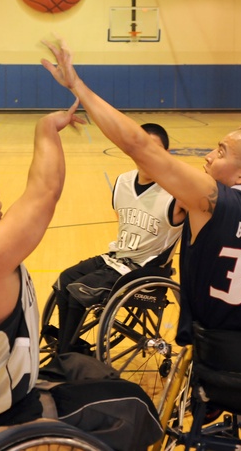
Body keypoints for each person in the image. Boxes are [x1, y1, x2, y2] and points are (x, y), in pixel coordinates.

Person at [41, 37, 241, 381]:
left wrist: (77, 85)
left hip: (213, 352)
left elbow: (137, 144)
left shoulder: (209, 201)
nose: (208, 156)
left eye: (220, 151)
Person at [0, 102, 162, 451]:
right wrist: (47, 128)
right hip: (2, 414)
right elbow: (45, 191)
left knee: (79, 364)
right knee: (134, 404)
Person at [52, 122, 186, 354]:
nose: (146, 153)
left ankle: (66, 354)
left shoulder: (178, 193)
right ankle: (69, 348)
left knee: (78, 291)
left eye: (154, 149)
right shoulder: (123, 181)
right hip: (116, 259)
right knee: (65, 280)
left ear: (166, 154)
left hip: (145, 270)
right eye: (140, 146)